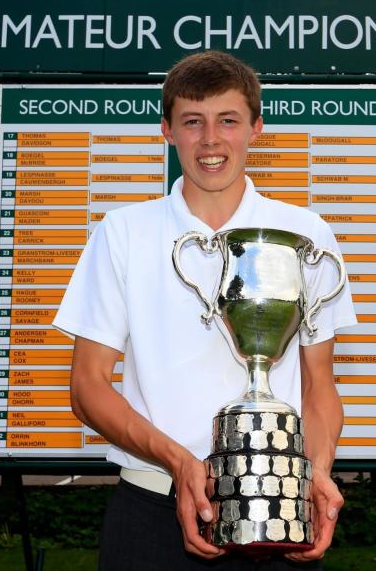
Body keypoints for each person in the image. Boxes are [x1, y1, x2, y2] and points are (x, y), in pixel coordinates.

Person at [53, 50, 357, 570]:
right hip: (151, 508)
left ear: (256, 129)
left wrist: (317, 473)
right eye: (193, 122)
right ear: (167, 131)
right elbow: (87, 386)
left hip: (279, 511)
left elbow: (318, 384)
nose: (211, 139)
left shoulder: (307, 235)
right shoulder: (123, 233)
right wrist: (180, 463)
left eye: (228, 121)